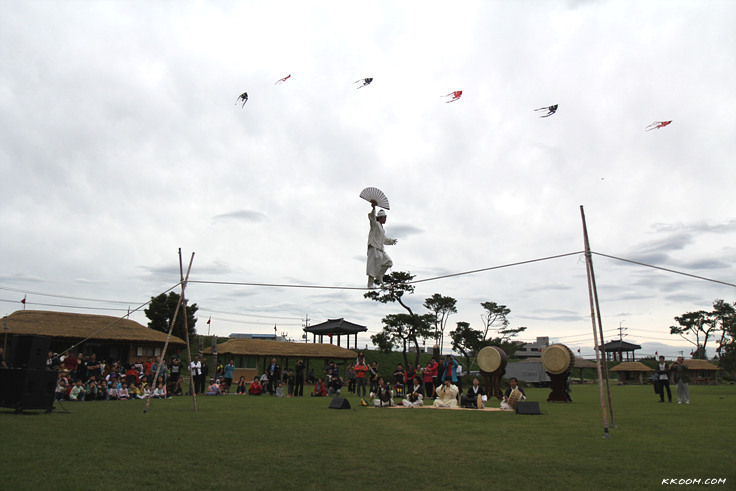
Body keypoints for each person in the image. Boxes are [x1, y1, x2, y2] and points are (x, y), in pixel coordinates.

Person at [366, 201, 397, 288]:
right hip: (373, 248)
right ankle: (370, 284)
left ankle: (379, 276)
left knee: (388, 262)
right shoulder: (374, 225)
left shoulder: (382, 229)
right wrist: (373, 208)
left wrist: (392, 241)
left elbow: (384, 239)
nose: (385, 219)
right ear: (380, 218)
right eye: (384, 217)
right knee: (372, 266)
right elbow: (372, 218)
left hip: (380, 250)